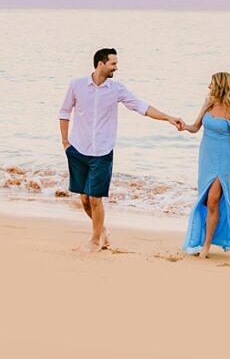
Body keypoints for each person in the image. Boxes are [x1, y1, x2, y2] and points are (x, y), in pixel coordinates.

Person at [59, 48, 184, 251]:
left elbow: (140, 106)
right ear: (101, 64)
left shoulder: (116, 89)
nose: (116, 68)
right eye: (113, 64)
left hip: (102, 151)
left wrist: (168, 117)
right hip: (78, 149)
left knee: (95, 198)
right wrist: (65, 142)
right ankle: (103, 231)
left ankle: (94, 241)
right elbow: (64, 112)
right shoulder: (77, 85)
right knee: (84, 200)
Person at [180, 72, 230, 258]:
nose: (208, 87)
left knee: (214, 200)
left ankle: (206, 245)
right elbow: (195, 127)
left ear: (221, 86)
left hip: (223, 160)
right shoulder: (208, 103)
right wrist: (184, 126)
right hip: (205, 156)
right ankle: (202, 238)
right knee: (205, 201)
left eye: (211, 83)